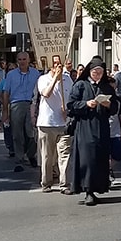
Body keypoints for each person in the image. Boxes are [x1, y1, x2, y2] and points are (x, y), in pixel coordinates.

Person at [66, 58, 116, 205]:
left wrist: (108, 105)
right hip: (85, 127)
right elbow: (71, 104)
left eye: (100, 72)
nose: (98, 75)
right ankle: (88, 190)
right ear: (89, 71)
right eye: (95, 72)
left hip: (102, 127)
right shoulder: (81, 85)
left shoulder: (107, 87)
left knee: (100, 159)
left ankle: (97, 188)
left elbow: (116, 108)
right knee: (88, 159)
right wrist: (86, 104)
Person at [36, 57, 73, 193]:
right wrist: (55, 79)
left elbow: (71, 98)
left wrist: (67, 110)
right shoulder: (43, 79)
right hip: (47, 123)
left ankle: (65, 184)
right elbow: (46, 93)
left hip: (63, 123)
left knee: (64, 155)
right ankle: (46, 182)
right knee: (47, 156)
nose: (58, 66)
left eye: (60, 63)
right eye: (55, 64)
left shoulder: (68, 80)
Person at [1, 51, 40, 173]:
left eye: (24, 59)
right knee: (17, 134)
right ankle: (19, 159)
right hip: (16, 104)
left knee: (32, 133)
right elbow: (6, 93)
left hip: (31, 104)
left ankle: (31, 154)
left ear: (28, 60)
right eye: (20, 59)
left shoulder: (36, 73)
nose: (22, 62)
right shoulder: (11, 75)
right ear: (17, 61)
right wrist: (5, 111)